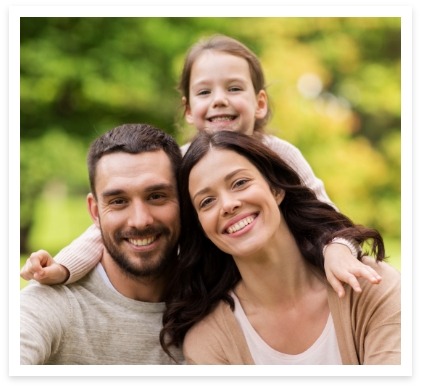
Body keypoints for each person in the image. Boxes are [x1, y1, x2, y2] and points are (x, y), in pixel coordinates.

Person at [21, 34, 381, 295]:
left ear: (259, 103)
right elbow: (109, 224)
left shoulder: (280, 154)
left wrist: (338, 250)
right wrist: (65, 266)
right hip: (217, 290)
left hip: (289, 284)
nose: (219, 100)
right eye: (205, 92)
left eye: (234, 88)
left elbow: (327, 217)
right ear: (189, 109)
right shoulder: (181, 163)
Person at [160, 130, 401, 365]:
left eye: (240, 182)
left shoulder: (370, 287)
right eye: (207, 201)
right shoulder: (209, 341)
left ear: (276, 189)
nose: (228, 205)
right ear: (201, 226)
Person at [20, 123, 185, 364]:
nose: (140, 221)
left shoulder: (217, 299)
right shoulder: (52, 304)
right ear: (95, 211)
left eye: (157, 196)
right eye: (118, 201)